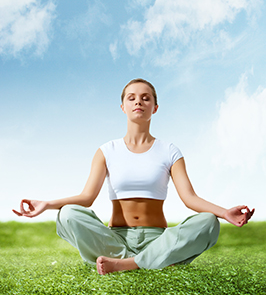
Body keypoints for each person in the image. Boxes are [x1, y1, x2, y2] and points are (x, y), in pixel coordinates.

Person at [13, 78, 255, 275]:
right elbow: (86, 198)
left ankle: (127, 264)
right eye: (132, 97)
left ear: (155, 107)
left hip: (157, 236)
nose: (138, 101)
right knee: (67, 214)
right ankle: (153, 260)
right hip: (115, 238)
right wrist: (46, 205)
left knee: (208, 223)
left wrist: (223, 213)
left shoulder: (169, 151)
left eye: (145, 98)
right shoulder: (107, 151)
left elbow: (189, 198)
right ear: (123, 107)